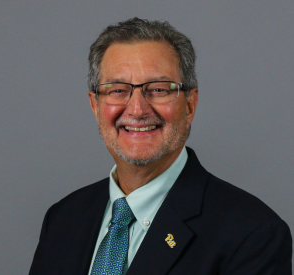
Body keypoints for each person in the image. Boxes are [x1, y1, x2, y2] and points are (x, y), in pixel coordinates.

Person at [29, 18, 292, 275]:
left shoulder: (252, 233)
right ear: (95, 105)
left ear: (190, 105)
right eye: (118, 90)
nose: (137, 109)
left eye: (158, 89)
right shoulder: (63, 219)